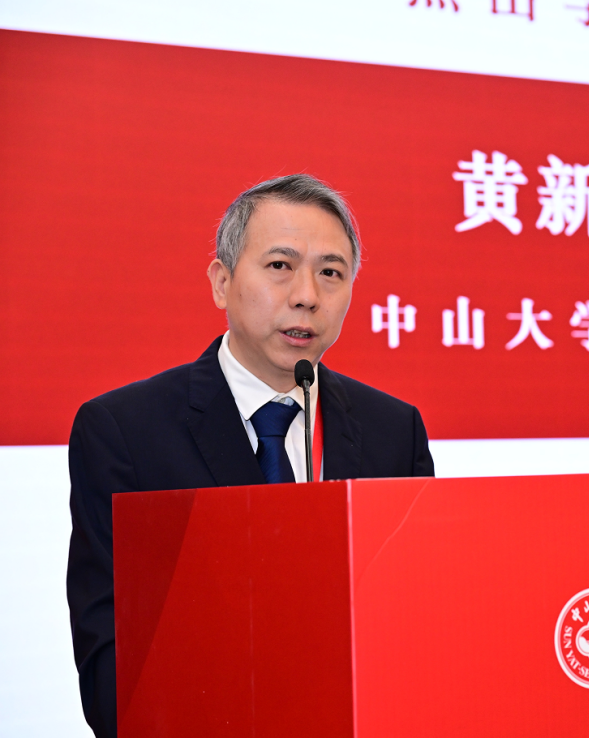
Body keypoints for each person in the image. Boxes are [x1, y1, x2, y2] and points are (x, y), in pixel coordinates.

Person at [66, 174, 434, 737]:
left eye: (331, 273)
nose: (307, 295)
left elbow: (415, 630)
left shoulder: (395, 431)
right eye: (280, 265)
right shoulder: (125, 431)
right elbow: (112, 669)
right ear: (222, 282)